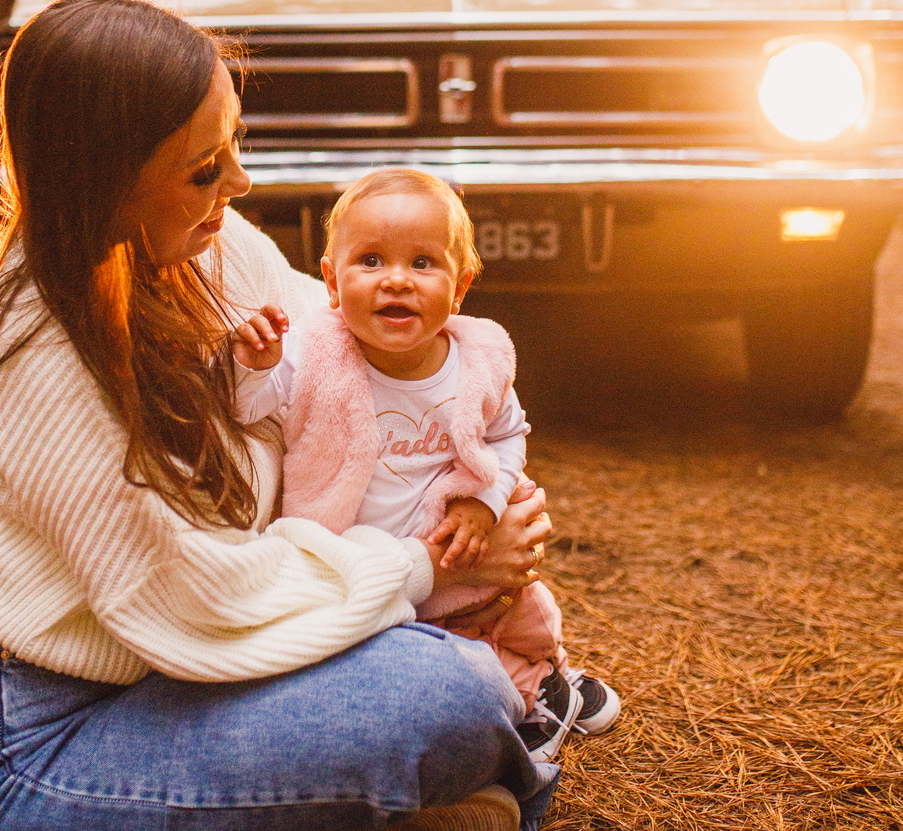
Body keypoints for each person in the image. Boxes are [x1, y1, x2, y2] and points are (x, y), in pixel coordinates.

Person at [0, 0, 559, 831]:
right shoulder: (40, 362)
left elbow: (339, 341)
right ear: (107, 179)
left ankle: (308, 807)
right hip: (31, 737)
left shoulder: (198, 242)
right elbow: (194, 599)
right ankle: (326, 810)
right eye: (206, 167)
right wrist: (428, 566)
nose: (241, 183)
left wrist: (470, 475)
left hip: (186, 667)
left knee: (452, 682)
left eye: (235, 143)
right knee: (451, 697)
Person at [230, 169, 620, 758]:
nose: (396, 279)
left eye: (422, 263)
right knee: (444, 660)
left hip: (462, 550)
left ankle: (551, 673)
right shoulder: (313, 353)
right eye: (370, 261)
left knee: (520, 616)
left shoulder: (478, 363)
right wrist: (254, 364)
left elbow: (509, 437)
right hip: (372, 566)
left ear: (459, 288)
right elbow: (249, 408)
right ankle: (534, 693)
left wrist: (482, 502)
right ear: (332, 281)